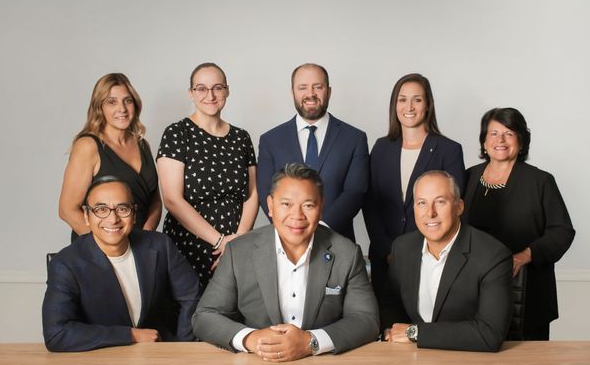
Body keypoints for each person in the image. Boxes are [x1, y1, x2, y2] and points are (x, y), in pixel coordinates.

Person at [192, 163, 379, 362]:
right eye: (286, 204)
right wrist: (251, 339)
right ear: (270, 206)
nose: (297, 216)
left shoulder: (346, 253)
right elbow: (205, 316)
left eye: (308, 205)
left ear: (321, 208)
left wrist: (311, 342)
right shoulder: (239, 251)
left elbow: (366, 319)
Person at [43, 176, 201, 352]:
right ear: (87, 216)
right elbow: (56, 333)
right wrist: (131, 335)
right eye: (101, 209)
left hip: (160, 357)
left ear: (133, 214)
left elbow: (191, 296)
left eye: (122, 208)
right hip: (100, 362)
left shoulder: (161, 245)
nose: (113, 219)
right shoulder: (66, 264)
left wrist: (183, 347)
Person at [462, 107, 575, 340]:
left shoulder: (540, 181)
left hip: (527, 293)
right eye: (493, 133)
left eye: (509, 133)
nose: (500, 140)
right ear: (484, 142)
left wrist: (525, 255)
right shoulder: (467, 177)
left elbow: (562, 231)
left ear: (521, 142)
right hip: (474, 293)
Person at [363, 73, 466, 312]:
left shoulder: (449, 150)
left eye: (417, 100)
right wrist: (387, 250)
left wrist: (416, 252)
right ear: (394, 105)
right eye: (402, 99)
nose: (409, 107)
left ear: (428, 104)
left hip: (430, 258)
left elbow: (451, 208)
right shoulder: (381, 148)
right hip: (384, 259)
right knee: (387, 330)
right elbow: (370, 205)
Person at [382, 170, 512, 352]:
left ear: (459, 206)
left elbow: (489, 334)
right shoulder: (402, 248)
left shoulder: (493, 255)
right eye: (421, 203)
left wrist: (416, 333)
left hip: (470, 364)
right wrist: (389, 330)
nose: (430, 213)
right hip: (411, 359)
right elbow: (391, 304)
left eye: (440, 202)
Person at [157, 63, 258, 290]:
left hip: (237, 244)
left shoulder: (242, 137)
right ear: (191, 93)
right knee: (191, 316)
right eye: (201, 88)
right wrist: (220, 241)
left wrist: (237, 242)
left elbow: (252, 194)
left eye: (217, 88)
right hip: (190, 245)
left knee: (235, 317)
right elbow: (172, 200)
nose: (210, 95)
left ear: (227, 91)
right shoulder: (177, 133)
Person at [257, 63, 369, 241]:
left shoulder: (354, 138)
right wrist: (295, 227)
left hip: (338, 243)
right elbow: (266, 193)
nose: (310, 94)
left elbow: (355, 192)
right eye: (302, 87)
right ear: (292, 92)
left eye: (318, 87)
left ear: (329, 91)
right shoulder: (270, 140)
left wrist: (320, 228)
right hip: (286, 242)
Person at [59, 73, 161, 239]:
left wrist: (145, 239)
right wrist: (108, 247)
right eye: (112, 102)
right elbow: (67, 210)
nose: (122, 108)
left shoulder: (143, 145)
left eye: (127, 101)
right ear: (100, 107)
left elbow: (155, 202)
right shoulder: (88, 146)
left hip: (139, 248)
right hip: (100, 247)